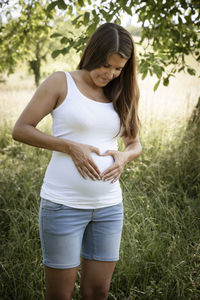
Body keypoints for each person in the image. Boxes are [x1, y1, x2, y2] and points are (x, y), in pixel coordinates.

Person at [12, 22, 142, 300]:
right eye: (106, 65)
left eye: (119, 68)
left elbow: (134, 143)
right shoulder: (61, 82)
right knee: (60, 295)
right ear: (93, 54)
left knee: (99, 291)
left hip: (108, 208)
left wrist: (124, 156)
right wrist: (70, 146)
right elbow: (21, 129)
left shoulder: (122, 91)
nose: (110, 74)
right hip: (63, 206)